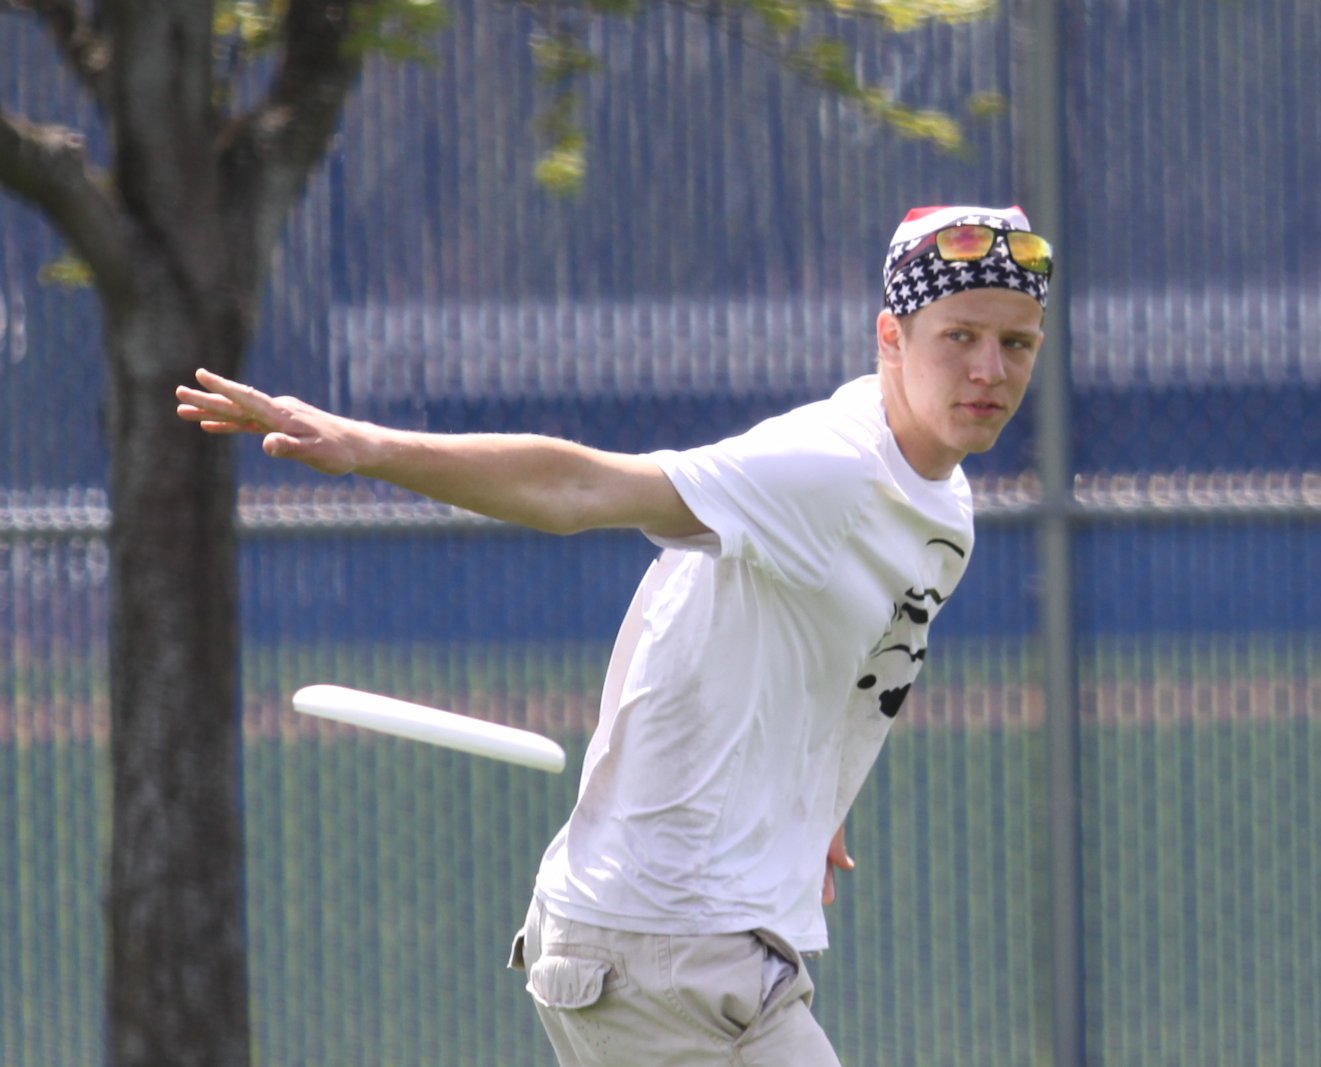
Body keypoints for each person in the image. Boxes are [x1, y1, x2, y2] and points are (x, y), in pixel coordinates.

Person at [176, 204, 1052, 1065]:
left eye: (1016, 343)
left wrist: (813, 803)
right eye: (960, 336)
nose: (989, 369)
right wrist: (362, 444)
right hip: (669, 946)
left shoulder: (942, 502)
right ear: (891, 338)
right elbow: (579, 489)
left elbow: (850, 656)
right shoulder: (827, 469)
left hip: (674, 936)